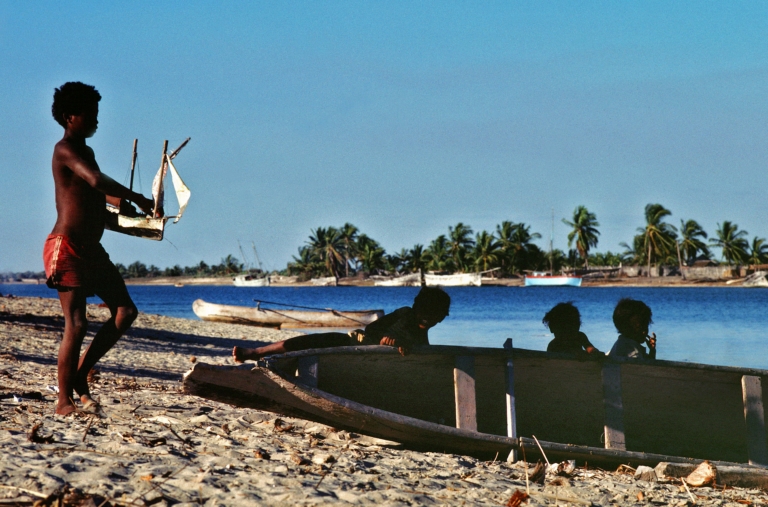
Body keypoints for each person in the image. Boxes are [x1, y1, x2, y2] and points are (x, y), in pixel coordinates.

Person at [44, 82, 157, 415]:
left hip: (91, 250)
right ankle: (64, 401)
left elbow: (95, 196)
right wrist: (136, 197)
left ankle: (80, 374)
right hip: (66, 247)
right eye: (90, 114)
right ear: (70, 117)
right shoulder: (64, 149)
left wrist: (123, 207)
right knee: (77, 324)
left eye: (96, 113)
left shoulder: (87, 153)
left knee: (125, 312)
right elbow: (94, 180)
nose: (96, 120)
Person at [233, 286, 451, 362]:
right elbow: (372, 329)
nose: (428, 318)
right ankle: (256, 352)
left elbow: (418, 348)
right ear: (416, 307)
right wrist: (386, 340)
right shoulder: (405, 314)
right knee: (307, 342)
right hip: (352, 343)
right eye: (425, 311)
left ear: (440, 318)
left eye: (434, 315)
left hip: (371, 359)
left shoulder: (422, 333)